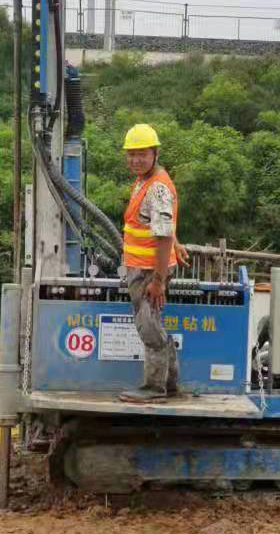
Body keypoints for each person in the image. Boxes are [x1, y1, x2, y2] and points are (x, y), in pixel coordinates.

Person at [118, 123, 189, 403]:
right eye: (131, 154)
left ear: (155, 153)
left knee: (148, 326)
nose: (135, 159)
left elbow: (161, 236)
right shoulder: (142, 182)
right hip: (144, 267)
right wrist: (178, 242)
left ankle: (154, 387)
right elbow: (163, 224)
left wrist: (158, 280)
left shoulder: (156, 187)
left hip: (150, 271)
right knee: (153, 324)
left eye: (142, 154)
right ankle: (170, 384)